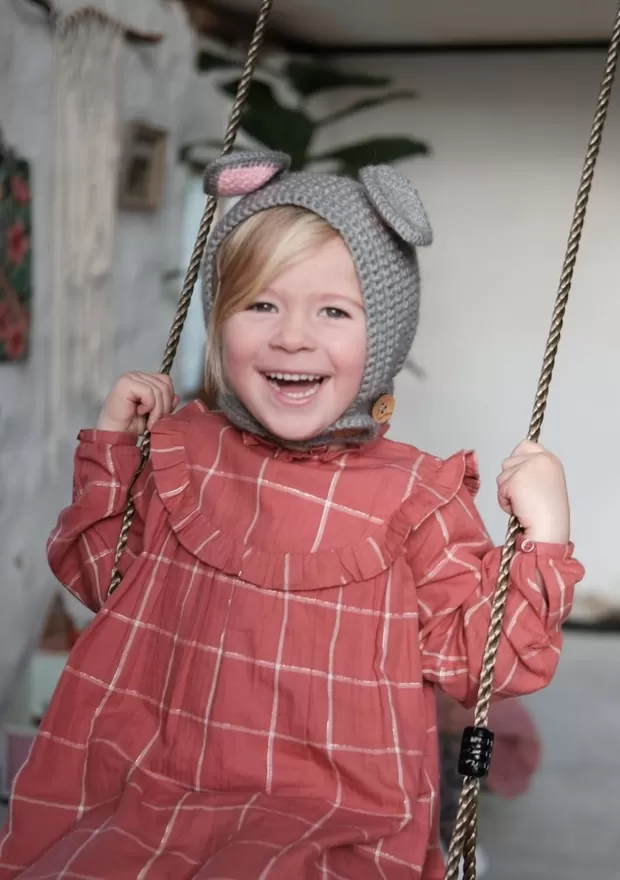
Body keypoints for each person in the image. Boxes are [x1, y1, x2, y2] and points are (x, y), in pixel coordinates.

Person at [0, 151, 584, 879]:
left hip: (336, 819)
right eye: (260, 304)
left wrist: (544, 536)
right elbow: (101, 579)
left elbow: (483, 663)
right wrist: (115, 446)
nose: (292, 336)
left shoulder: (413, 498)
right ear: (220, 318)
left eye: (333, 311)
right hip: (146, 789)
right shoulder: (186, 452)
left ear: (387, 335)